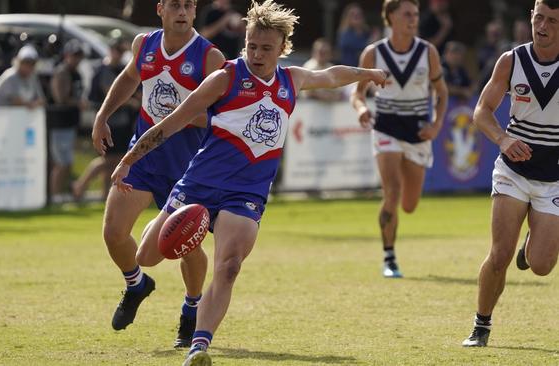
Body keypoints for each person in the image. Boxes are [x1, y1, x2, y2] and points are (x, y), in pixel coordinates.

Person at [110, 1, 387, 364]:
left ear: (282, 49)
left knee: (229, 267)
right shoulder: (225, 77)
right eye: (252, 45)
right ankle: (164, 223)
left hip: (246, 193)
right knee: (148, 255)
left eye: (266, 48)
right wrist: (128, 160)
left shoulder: (292, 79)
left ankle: (199, 346)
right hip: (198, 184)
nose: (257, 54)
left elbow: (331, 76)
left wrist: (367, 73)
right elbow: (174, 121)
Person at [91, 0, 226, 348]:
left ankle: (192, 307)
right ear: (160, 9)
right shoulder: (144, 45)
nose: (182, 12)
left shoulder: (210, 58)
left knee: (186, 244)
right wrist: (103, 115)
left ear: (195, 12)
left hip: (188, 164)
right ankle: (136, 284)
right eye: (175, 5)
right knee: (113, 232)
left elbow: (221, 116)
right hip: (144, 156)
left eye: (189, 5)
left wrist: (178, 116)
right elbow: (129, 77)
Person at [462, 0, 559, 348]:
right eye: (538, 18)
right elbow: (482, 111)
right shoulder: (511, 60)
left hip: (554, 177)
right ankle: (481, 325)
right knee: (500, 254)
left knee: (543, 266)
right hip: (513, 171)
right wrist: (502, 139)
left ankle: (531, 246)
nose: (542, 26)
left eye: (552, 21)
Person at [351, 0, 448, 278]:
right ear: (390, 16)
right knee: (391, 190)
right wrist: (361, 109)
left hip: (418, 132)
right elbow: (358, 93)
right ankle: (389, 257)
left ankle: (391, 246)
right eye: (407, 13)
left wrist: (437, 124)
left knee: (409, 204)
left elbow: (442, 92)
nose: (413, 19)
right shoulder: (374, 53)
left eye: (416, 14)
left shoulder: (427, 52)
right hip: (386, 128)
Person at [73, 37, 138, 201]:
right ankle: (80, 185)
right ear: (111, 50)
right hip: (110, 122)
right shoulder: (105, 70)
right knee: (109, 160)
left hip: (121, 122)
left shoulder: (118, 68)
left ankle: (104, 194)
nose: (119, 54)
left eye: (122, 51)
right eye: (117, 50)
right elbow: (113, 92)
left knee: (114, 161)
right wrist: (133, 102)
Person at [47, 39, 86, 201]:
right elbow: (60, 98)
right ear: (66, 55)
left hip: (70, 122)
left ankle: (62, 194)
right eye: (74, 56)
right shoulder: (62, 72)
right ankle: (55, 196)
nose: (76, 59)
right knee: (60, 163)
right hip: (59, 123)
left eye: (79, 56)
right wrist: (78, 103)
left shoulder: (77, 73)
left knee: (67, 162)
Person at [336, 3, 379, 67]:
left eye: (359, 14)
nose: (357, 16)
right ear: (348, 17)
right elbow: (359, 47)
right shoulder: (345, 34)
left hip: (365, 70)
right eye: (353, 14)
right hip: (349, 71)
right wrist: (372, 41)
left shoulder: (367, 33)